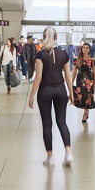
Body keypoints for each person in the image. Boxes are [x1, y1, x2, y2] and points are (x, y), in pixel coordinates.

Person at [28, 27, 74, 167]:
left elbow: (38, 78)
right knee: (62, 122)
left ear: (43, 37)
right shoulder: (63, 54)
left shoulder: (40, 55)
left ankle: (50, 157)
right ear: (56, 38)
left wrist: (32, 95)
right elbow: (68, 76)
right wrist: (71, 93)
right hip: (61, 90)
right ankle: (68, 153)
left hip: (45, 91)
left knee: (47, 124)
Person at [72, 43, 95, 123]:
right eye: (84, 48)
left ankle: (85, 112)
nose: (85, 49)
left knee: (87, 96)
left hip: (89, 81)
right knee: (81, 97)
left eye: (87, 48)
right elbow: (74, 71)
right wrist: (71, 82)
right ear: (82, 49)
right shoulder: (77, 59)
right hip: (80, 80)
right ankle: (86, 110)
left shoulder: (92, 60)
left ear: (89, 50)